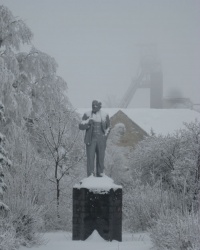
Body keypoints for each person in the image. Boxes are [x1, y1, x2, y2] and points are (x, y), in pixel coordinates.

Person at [79, 100, 111, 177]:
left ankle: (100, 174)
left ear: (99, 106)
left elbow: (109, 127)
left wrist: (105, 136)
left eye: (95, 105)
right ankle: (90, 175)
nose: (94, 107)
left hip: (101, 140)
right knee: (90, 158)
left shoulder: (105, 115)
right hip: (90, 139)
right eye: (93, 105)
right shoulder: (87, 115)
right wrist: (87, 123)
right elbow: (80, 126)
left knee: (101, 158)